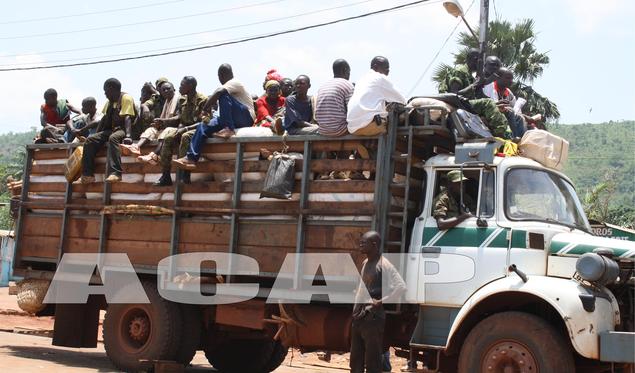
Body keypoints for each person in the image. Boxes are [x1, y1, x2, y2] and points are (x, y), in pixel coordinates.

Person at [172, 63, 255, 171]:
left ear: (221, 75)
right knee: (203, 126)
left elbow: (219, 92)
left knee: (223, 95)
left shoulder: (235, 82)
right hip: (229, 118)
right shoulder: (229, 86)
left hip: (246, 117)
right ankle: (191, 158)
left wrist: (205, 108)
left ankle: (229, 129)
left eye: (219, 76)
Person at [351, 231, 406, 373]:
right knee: (355, 360)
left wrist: (381, 301)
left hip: (373, 319)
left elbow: (401, 286)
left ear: (374, 244)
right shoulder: (365, 263)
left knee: (372, 362)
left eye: (364, 242)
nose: (360, 244)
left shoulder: (384, 264)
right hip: (359, 318)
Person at [138, 76, 206, 186]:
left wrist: (185, 128)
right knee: (168, 138)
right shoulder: (183, 100)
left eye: (182, 85)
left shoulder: (202, 100)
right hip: (182, 127)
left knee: (185, 137)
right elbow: (179, 118)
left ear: (191, 86)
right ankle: (166, 176)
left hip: (196, 129)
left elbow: (205, 122)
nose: (179, 87)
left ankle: (185, 175)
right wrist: (164, 122)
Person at [80, 78, 136, 184]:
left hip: (125, 129)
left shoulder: (126, 98)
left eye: (106, 91)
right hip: (112, 130)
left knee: (113, 138)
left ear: (113, 89)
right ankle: (87, 175)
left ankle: (116, 173)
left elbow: (127, 118)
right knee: (90, 140)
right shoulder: (109, 103)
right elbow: (104, 120)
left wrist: (128, 135)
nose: (105, 93)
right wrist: (96, 134)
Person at [347, 56, 406, 136]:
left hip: (353, 128)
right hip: (370, 124)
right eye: (386, 69)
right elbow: (402, 100)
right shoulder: (380, 77)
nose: (388, 72)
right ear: (375, 67)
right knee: (395, 122)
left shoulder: (362, 79)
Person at [124, 81, 181, 156]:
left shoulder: (180, 100)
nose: (166, 91)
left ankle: (154, 155)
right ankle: (136, 147)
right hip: (164, 127)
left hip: (176, 128)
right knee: (150, 130)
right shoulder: (165, 101)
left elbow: (179, 117)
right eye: (163, 90)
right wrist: (158, 124)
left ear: (174, 89)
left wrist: (163, 121)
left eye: (168, 89)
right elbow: (145, 105)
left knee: (166, 131)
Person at [315, 59, 354, 137]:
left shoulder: (323, 86)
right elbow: (352, 110)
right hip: (340, 130)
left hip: (322, 130)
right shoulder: (347, 85)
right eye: (349, 72)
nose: (349, 74)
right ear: (345, 70)